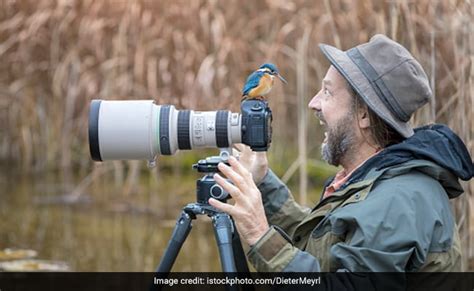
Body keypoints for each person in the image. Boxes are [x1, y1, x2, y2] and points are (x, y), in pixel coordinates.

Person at [208, 34, 474, 273]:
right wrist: (263, 184)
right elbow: (321, 250)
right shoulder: (371, 179)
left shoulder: (396, 205)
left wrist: (259, 235)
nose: (313, 103)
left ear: (363, 115)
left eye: (327, 92)